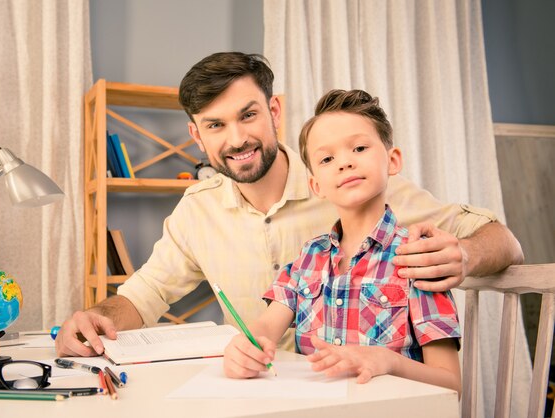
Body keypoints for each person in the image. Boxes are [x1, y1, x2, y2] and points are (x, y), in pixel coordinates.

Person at [55, 52, 523, 357]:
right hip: (256, 393)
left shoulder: (351, 185)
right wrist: (97, 319)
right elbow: (145, 295)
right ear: (196, 136)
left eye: (248, 115)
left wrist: (465, 255)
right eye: (215, 126)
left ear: (274, 111)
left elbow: (500, 239)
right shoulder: (196, 211)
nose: (237, 139)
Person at [222, 89, 461, 393]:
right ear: (316, 184)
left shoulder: (418, 258)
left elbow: (452, 383)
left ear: (392, 160)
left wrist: (387, 361)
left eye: (359, 148)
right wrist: (243, 348)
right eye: (327, 158)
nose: (344, 163)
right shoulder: (309, 257)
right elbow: (266, 327)